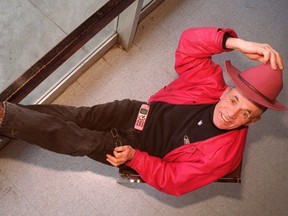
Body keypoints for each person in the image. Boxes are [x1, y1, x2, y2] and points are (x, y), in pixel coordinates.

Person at [0, 27, 286, 196]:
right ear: (228, 89)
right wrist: (234, 43)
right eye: (234, 100)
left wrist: (137, 158)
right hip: (136, 113)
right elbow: (188, 44)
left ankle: (6, 117)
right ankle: (7, 118)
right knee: (77, 117)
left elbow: (173, 181)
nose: (232, 113)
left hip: (136, 150)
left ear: (256, 120)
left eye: (246, 113)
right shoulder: (210, 83)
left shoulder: (224, 156)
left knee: (81, 140)